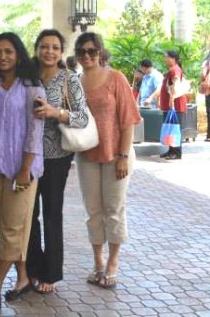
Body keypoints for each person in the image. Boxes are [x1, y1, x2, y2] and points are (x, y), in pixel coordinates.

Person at [0, 32, 44, 315]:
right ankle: (23, 276)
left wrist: (25, 169)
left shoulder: (32, 86)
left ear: (18, 54)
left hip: (22, 170)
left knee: (12, 230)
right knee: (7, 227)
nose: (3, 56)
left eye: (8, 51)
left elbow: (35, 131)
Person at [74, 32, 141, 290]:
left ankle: (113, 262)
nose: (87, 55)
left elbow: (128, 120)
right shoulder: (75, 83)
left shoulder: (116, 78)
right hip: (87, 155)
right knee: (93, 211)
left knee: (114, 209)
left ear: (100, 52)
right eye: (82, 51)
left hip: (116, 155)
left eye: (92, 50)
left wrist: (123, 156)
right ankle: (98, 262)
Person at [27, 30, 89, 294]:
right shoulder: (27, 77)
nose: (49, 52)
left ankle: (51, 273)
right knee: (28, 216)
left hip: (56, 158)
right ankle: (31, 269)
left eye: (54, 47)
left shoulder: (69, 78)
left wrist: (56, 112)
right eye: (44, 46)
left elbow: (82, 118)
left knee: (52, 213)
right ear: (37, 48)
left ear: (61, 52)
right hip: (27, 157)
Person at [157, 50, 187, 160]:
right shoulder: (172, 69)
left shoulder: (175, 69)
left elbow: (176, 83)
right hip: (170, 106)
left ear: (173, 59)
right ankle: (171, 151)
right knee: (170, 128)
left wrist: (172, 99)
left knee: (175, 128)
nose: (165, 59)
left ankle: (177, 153)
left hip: (175, 105)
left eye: (167, 57)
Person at [199, 53, 210, 142]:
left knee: (209, 112)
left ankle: (209, 135)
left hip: (208, 89)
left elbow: (203, 75)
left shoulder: (206, 62)